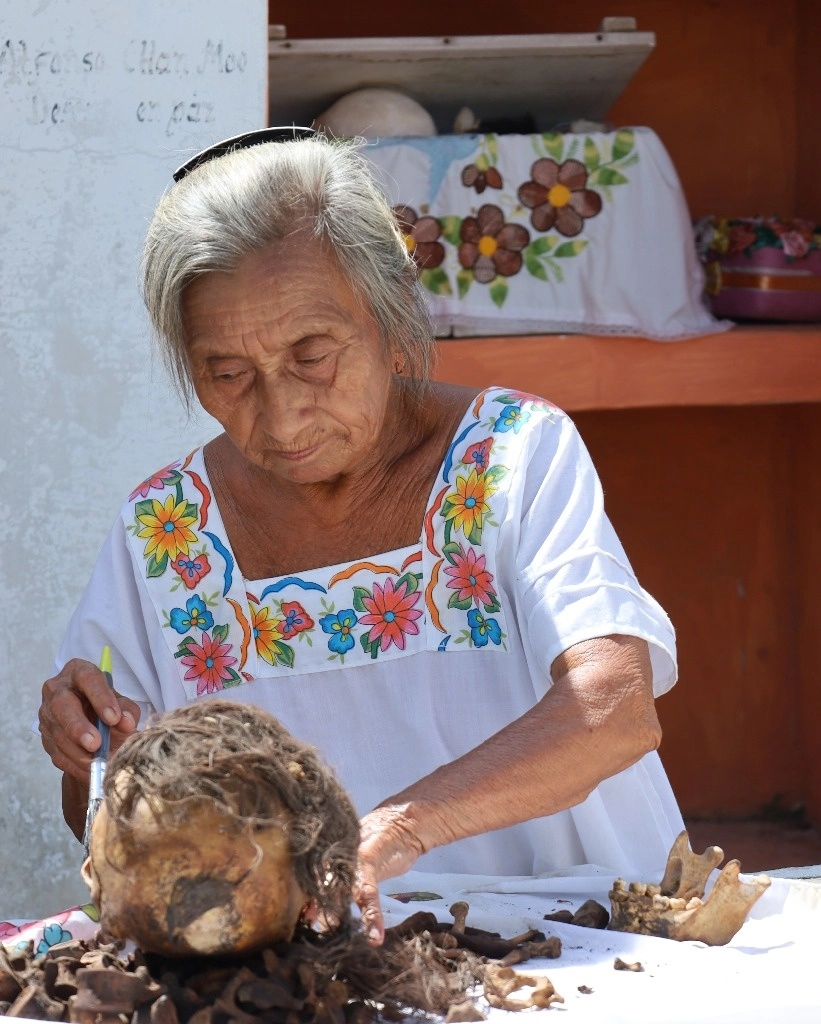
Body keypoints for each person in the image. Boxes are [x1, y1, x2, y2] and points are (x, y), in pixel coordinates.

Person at [39, 128, 684, 944]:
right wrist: (86, 747)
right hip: (336, 965)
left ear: (388, 312)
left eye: (312, 355)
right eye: (227, 375)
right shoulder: (167, 532)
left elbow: (615, 708)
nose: (280, 416)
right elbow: (109, 822)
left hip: (586, 943)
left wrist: (404, 828)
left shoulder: (511, 456)